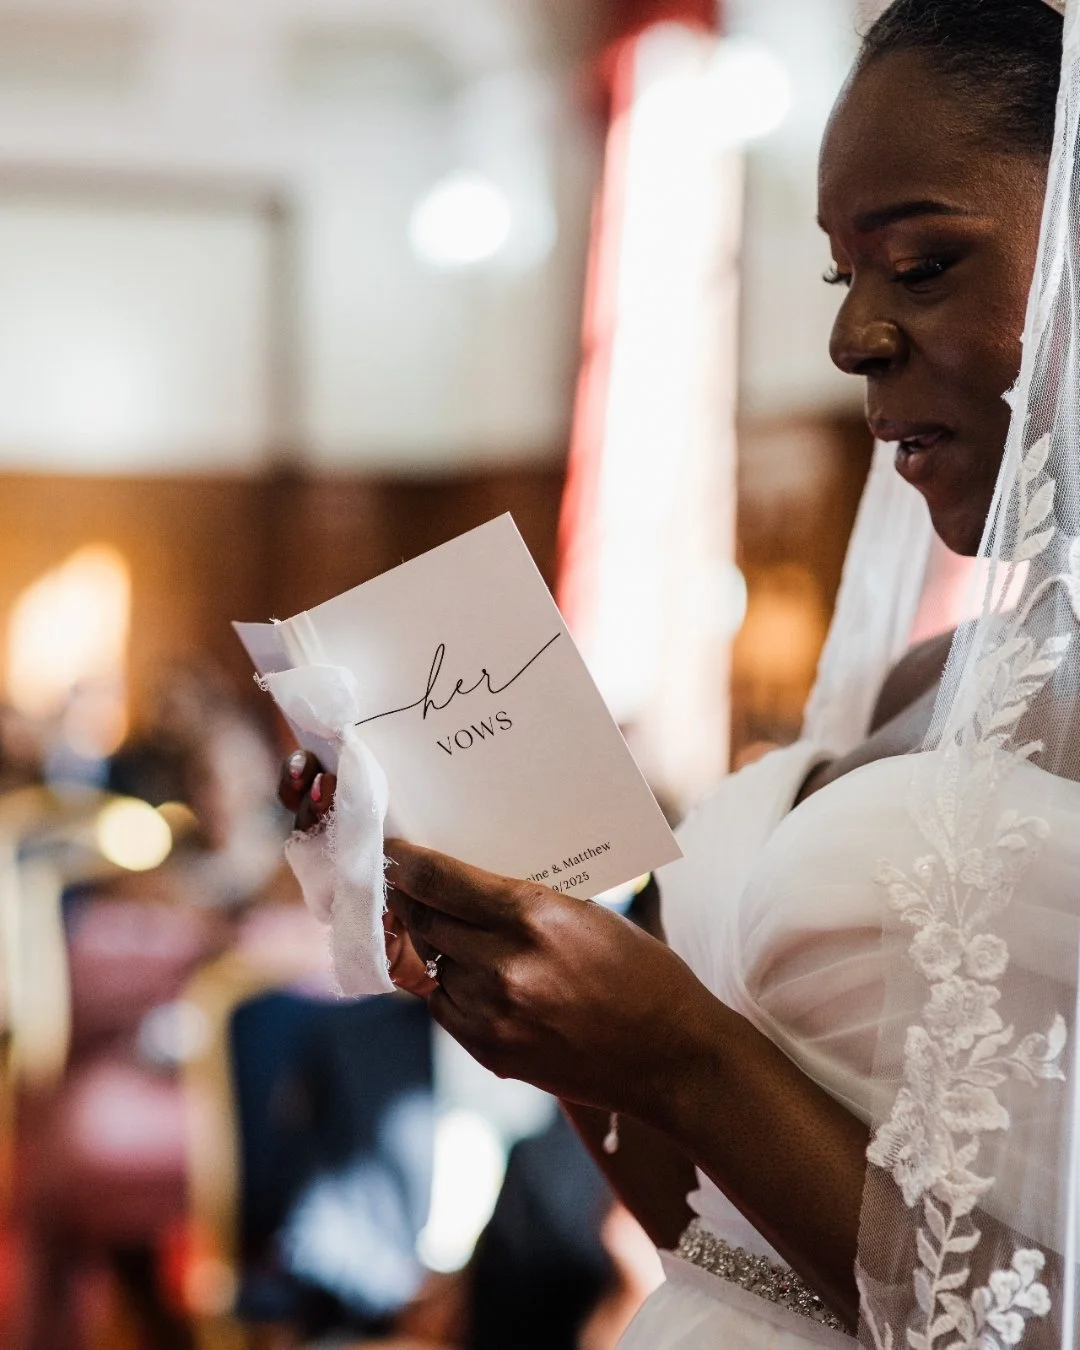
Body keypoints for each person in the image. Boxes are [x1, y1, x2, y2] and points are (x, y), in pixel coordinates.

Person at [280, 0, 1080, 1345]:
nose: (853, 339)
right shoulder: (926, 678)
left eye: (925, 263)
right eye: (842, 275)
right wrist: (520, 961)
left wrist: (681, 1052)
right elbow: (730, 1237)